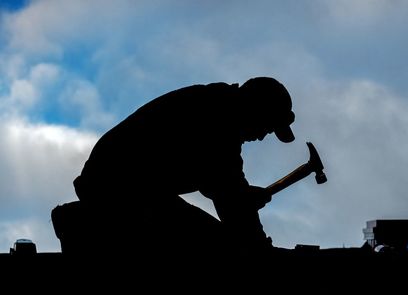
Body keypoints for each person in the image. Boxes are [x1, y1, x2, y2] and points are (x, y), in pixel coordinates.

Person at [67, 76, 296, 260]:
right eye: (267, 127)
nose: (263, 136)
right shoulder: (218, 119)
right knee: (215, 246)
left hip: (131, 189)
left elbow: (224, 186)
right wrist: (260, 249)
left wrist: (243, 198)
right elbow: (227, 192)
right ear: (255, 109)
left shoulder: (219, 107)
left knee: (217, 241)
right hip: (116, 189)